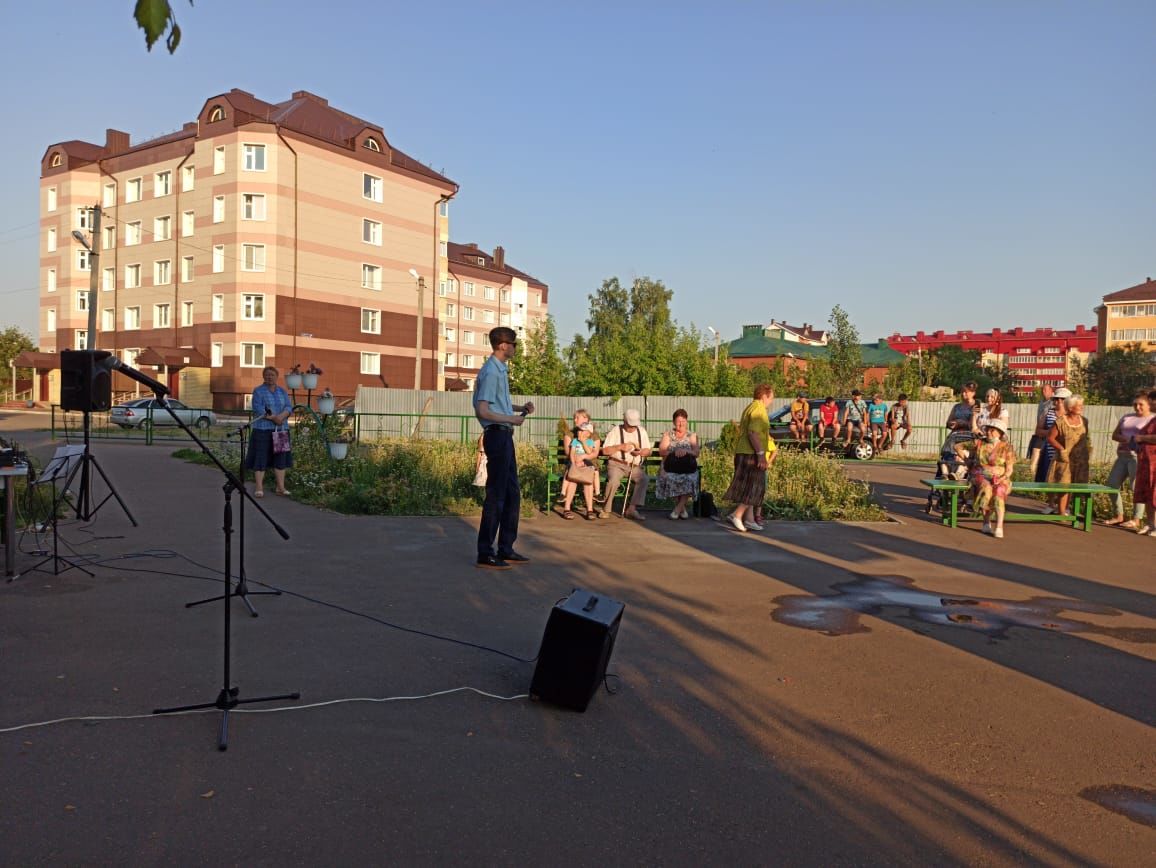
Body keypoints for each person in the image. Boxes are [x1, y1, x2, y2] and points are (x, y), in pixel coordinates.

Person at [473, 327, 535, 569]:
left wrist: (519, 408)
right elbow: (483, 410)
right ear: (502, 345)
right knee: (497, 495)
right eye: (513, 344)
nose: (515, 348)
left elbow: (499, 403)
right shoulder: (491, 372)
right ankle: (485, 551)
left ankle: (506, 547)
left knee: (512, 493)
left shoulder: (499, 370)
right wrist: (511, 419)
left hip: (503, 435)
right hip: (497, 435)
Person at [722, 384, 773, 532]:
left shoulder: (750, 406)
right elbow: (753, 433)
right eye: (771, 397)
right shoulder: (759, 409)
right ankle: (737, 515)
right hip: (751, 454)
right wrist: (761, 455)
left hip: (743, 452)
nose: (771, 401)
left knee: (750, 485)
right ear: (764, 396)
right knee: (754, 485)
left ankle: (749, 519)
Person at [1104, 393, 1152, 529]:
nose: (1137, 407)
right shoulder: (1127, 417)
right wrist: (1126, 439)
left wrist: (1139, 440)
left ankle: (1136, 519)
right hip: (1122, 456)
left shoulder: (1152, 419)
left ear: (1148, 405)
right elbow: (1115, 434)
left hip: (1138, 457)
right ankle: (1119, 515)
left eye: (1140, 404)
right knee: (1111, 485)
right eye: (1135, 404)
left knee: (1136, 488)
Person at [247, 366, 293, 497]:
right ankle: (259, 488)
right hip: (262, 430)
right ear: (263, 376)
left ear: (276, 376)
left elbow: (289, 407)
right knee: (260, 457)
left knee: (280, 459)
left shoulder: (282, 391)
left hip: (281, 429)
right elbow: (259, 409)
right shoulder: (258, 391)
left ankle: (280, 487)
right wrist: (274, 418)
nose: (269, 377)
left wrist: (282, 417)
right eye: (267, 375)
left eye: (272, 375)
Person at [601, 409, 652, 520]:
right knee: (614, 481)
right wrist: (620, 447)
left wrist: (640, 452)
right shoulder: (615, 431)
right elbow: (605, 451)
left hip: (634, 466)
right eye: (631, 425)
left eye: (635, 425)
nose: (633, 428)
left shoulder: (641, 431)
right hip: (616, 464)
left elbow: (648, 451)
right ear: (625, 421)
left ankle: (631, 509)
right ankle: (606, 509)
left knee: (644, 479)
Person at [969, 418, 1016, 539]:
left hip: (1000, 477)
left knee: (999, 491)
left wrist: (1002, 478)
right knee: (986, 489)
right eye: (988, 429)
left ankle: (999, 526)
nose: (989, 432)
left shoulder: (1007, 447)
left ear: (1000, 433)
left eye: (992, 430)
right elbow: (957, 446)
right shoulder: (979, 443)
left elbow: (1009, 469)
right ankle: (986, 522)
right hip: (981, 475)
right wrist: (967, 461)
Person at [1046, 393, 1091, 518]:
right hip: (1064, 459)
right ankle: (1061, 513)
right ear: (1070, 407)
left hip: (1080, 459)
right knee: (1064, 485)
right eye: (1079, 405)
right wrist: (1061, 449)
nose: (1082, 407)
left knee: (1075, 484)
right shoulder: (1060, 421)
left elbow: (1085, 438)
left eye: (1082, 405)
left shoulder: (1084, 421)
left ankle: (1069, 509)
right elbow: (1050, 438)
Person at [657, 409, 700, 520]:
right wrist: (673, 452)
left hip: (687, 468)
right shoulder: (668, 435)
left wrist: (685, 451)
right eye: (678, 421)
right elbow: (662, 452)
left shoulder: (692, 435)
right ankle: (682, 509)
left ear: (687, 421)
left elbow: (696, 453)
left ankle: (677, 510)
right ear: (673, 422)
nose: (681, 424)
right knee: (668, 477)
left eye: (683, 421)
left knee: (690, 479)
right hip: (670, 466)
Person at [1034, 387, 1071, 507]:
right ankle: (1050, 504)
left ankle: (1064, 506)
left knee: (1065, 479)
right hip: (1049, 450)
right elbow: (1038, 430)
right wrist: (1051, 433)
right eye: (1057, 399)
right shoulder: (1048, 412)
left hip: (1066, 452)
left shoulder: (1071, 415)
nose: (1059, 401)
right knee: (1049, 477)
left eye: (1062, 399)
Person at [560, 413, 601, 520]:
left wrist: (583, 457)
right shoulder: (570, 434)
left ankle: (590, 510)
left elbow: (593, 453)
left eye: (577, 417)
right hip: (574, 463)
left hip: (587, 463)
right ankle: (567, 508)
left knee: (588, 480)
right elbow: (569, 452)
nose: (574, 419)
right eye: (575, 417)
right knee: (573, 479)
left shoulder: (593, 436)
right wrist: (575, 462)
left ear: (586, 419)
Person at [1129, 389, 1156, 536]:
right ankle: (1150, 524)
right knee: (1147, 494)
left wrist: (1141, 439)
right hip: (1146, 462)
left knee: (1155, 494)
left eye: (1153, 400)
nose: (1151, 403)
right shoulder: (1153, 420)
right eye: (1151, 400)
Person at [1028, 383, 1055, 476]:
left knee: (1047, 458)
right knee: (1035, 454)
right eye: (1042, 390)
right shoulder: (1041, 402)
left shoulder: (1053, 402)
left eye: (1046, 390)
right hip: (1040, 432)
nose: (1043, 392)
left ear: (1052, 392)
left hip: (1050, 433)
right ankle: (1032, 475)